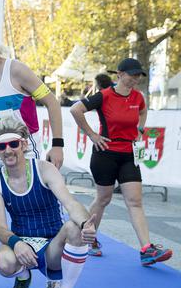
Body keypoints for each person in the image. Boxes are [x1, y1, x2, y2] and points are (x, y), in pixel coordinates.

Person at [0, 117, 96, 288]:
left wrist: (85, 225)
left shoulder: (45, 169)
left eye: (13, 144)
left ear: (24, 144)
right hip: (22, 243)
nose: (8, 150)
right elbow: (0, 227)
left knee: (74, 228)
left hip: (53, 244)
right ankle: (23, 277)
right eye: (1, 146)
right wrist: (16, 243)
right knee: (2, 261)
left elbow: (71, 204)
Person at [70, 58, 172, 265]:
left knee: (135, 201)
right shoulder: (104, 95)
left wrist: (140, 130)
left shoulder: (138, 97)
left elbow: (142, 112)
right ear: (120, 74)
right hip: (105, 153)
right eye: (132, 75)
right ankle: (89, 239)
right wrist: (92, 135)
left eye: (138, 75)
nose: (135, 79)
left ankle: (146, 249)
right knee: (103, 199)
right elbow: (75, 110)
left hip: (129, 154)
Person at [0, 24, 64, 174]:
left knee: (26, 193)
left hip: (24, 148)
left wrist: (57, 145)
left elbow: (52, 103)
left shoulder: (17, 70)